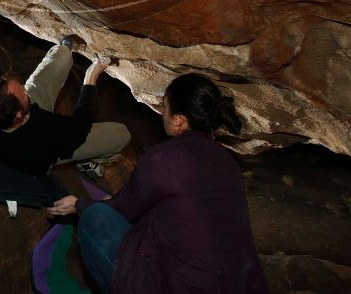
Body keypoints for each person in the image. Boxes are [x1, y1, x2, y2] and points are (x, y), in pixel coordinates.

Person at [47, 73, 268, 294]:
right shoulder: (227, 161)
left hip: (188, 287)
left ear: (178, 119)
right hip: (244, 283)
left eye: (164, 106)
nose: (162, 112)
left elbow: (125, 208)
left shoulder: (166, 157)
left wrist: (80, 204)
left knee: (95, 217)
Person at [0, 0, 131, 175]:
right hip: (45, 151)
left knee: (61, 56)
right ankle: (85, 160)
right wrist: (90, 77)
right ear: (19, 114)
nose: (23, 86)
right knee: (121, 134)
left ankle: (62, 51)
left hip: (35, 119)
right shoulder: (41, 136)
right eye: (22, 92)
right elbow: (80, 126)